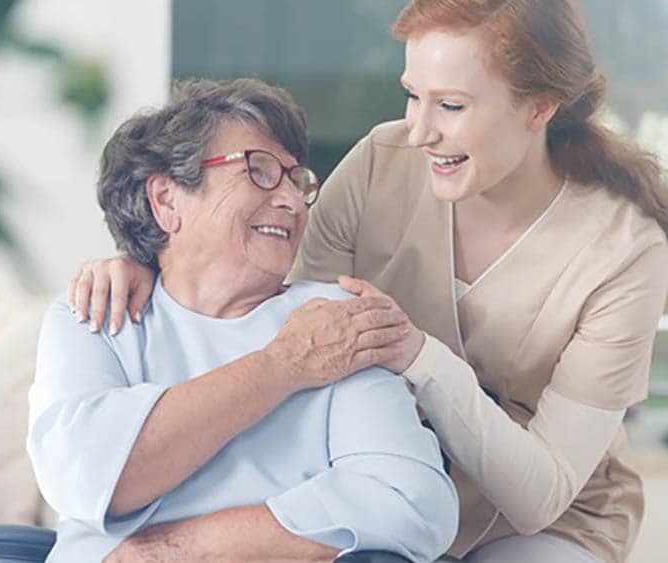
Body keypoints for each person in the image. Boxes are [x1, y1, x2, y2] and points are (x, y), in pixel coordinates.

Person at [64, 1, 668, 562]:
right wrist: (150, 255)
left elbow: (542, 495)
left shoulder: (624, 250)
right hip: (379, 489)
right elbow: (280, 317)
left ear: (540, 107)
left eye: (451, 106)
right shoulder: (384, 160)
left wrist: (419, 357)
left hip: (541, 522)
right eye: (412, 95)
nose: (419, 129)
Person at [28, 78, 459, 563]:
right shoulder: (97, 315)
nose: (293, 202)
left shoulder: (335, 324)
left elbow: (414, 504)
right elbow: (84, 476)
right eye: (260, 171)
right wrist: (284, 365)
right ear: (167, 200)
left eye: (298, 181)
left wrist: (177, 550)